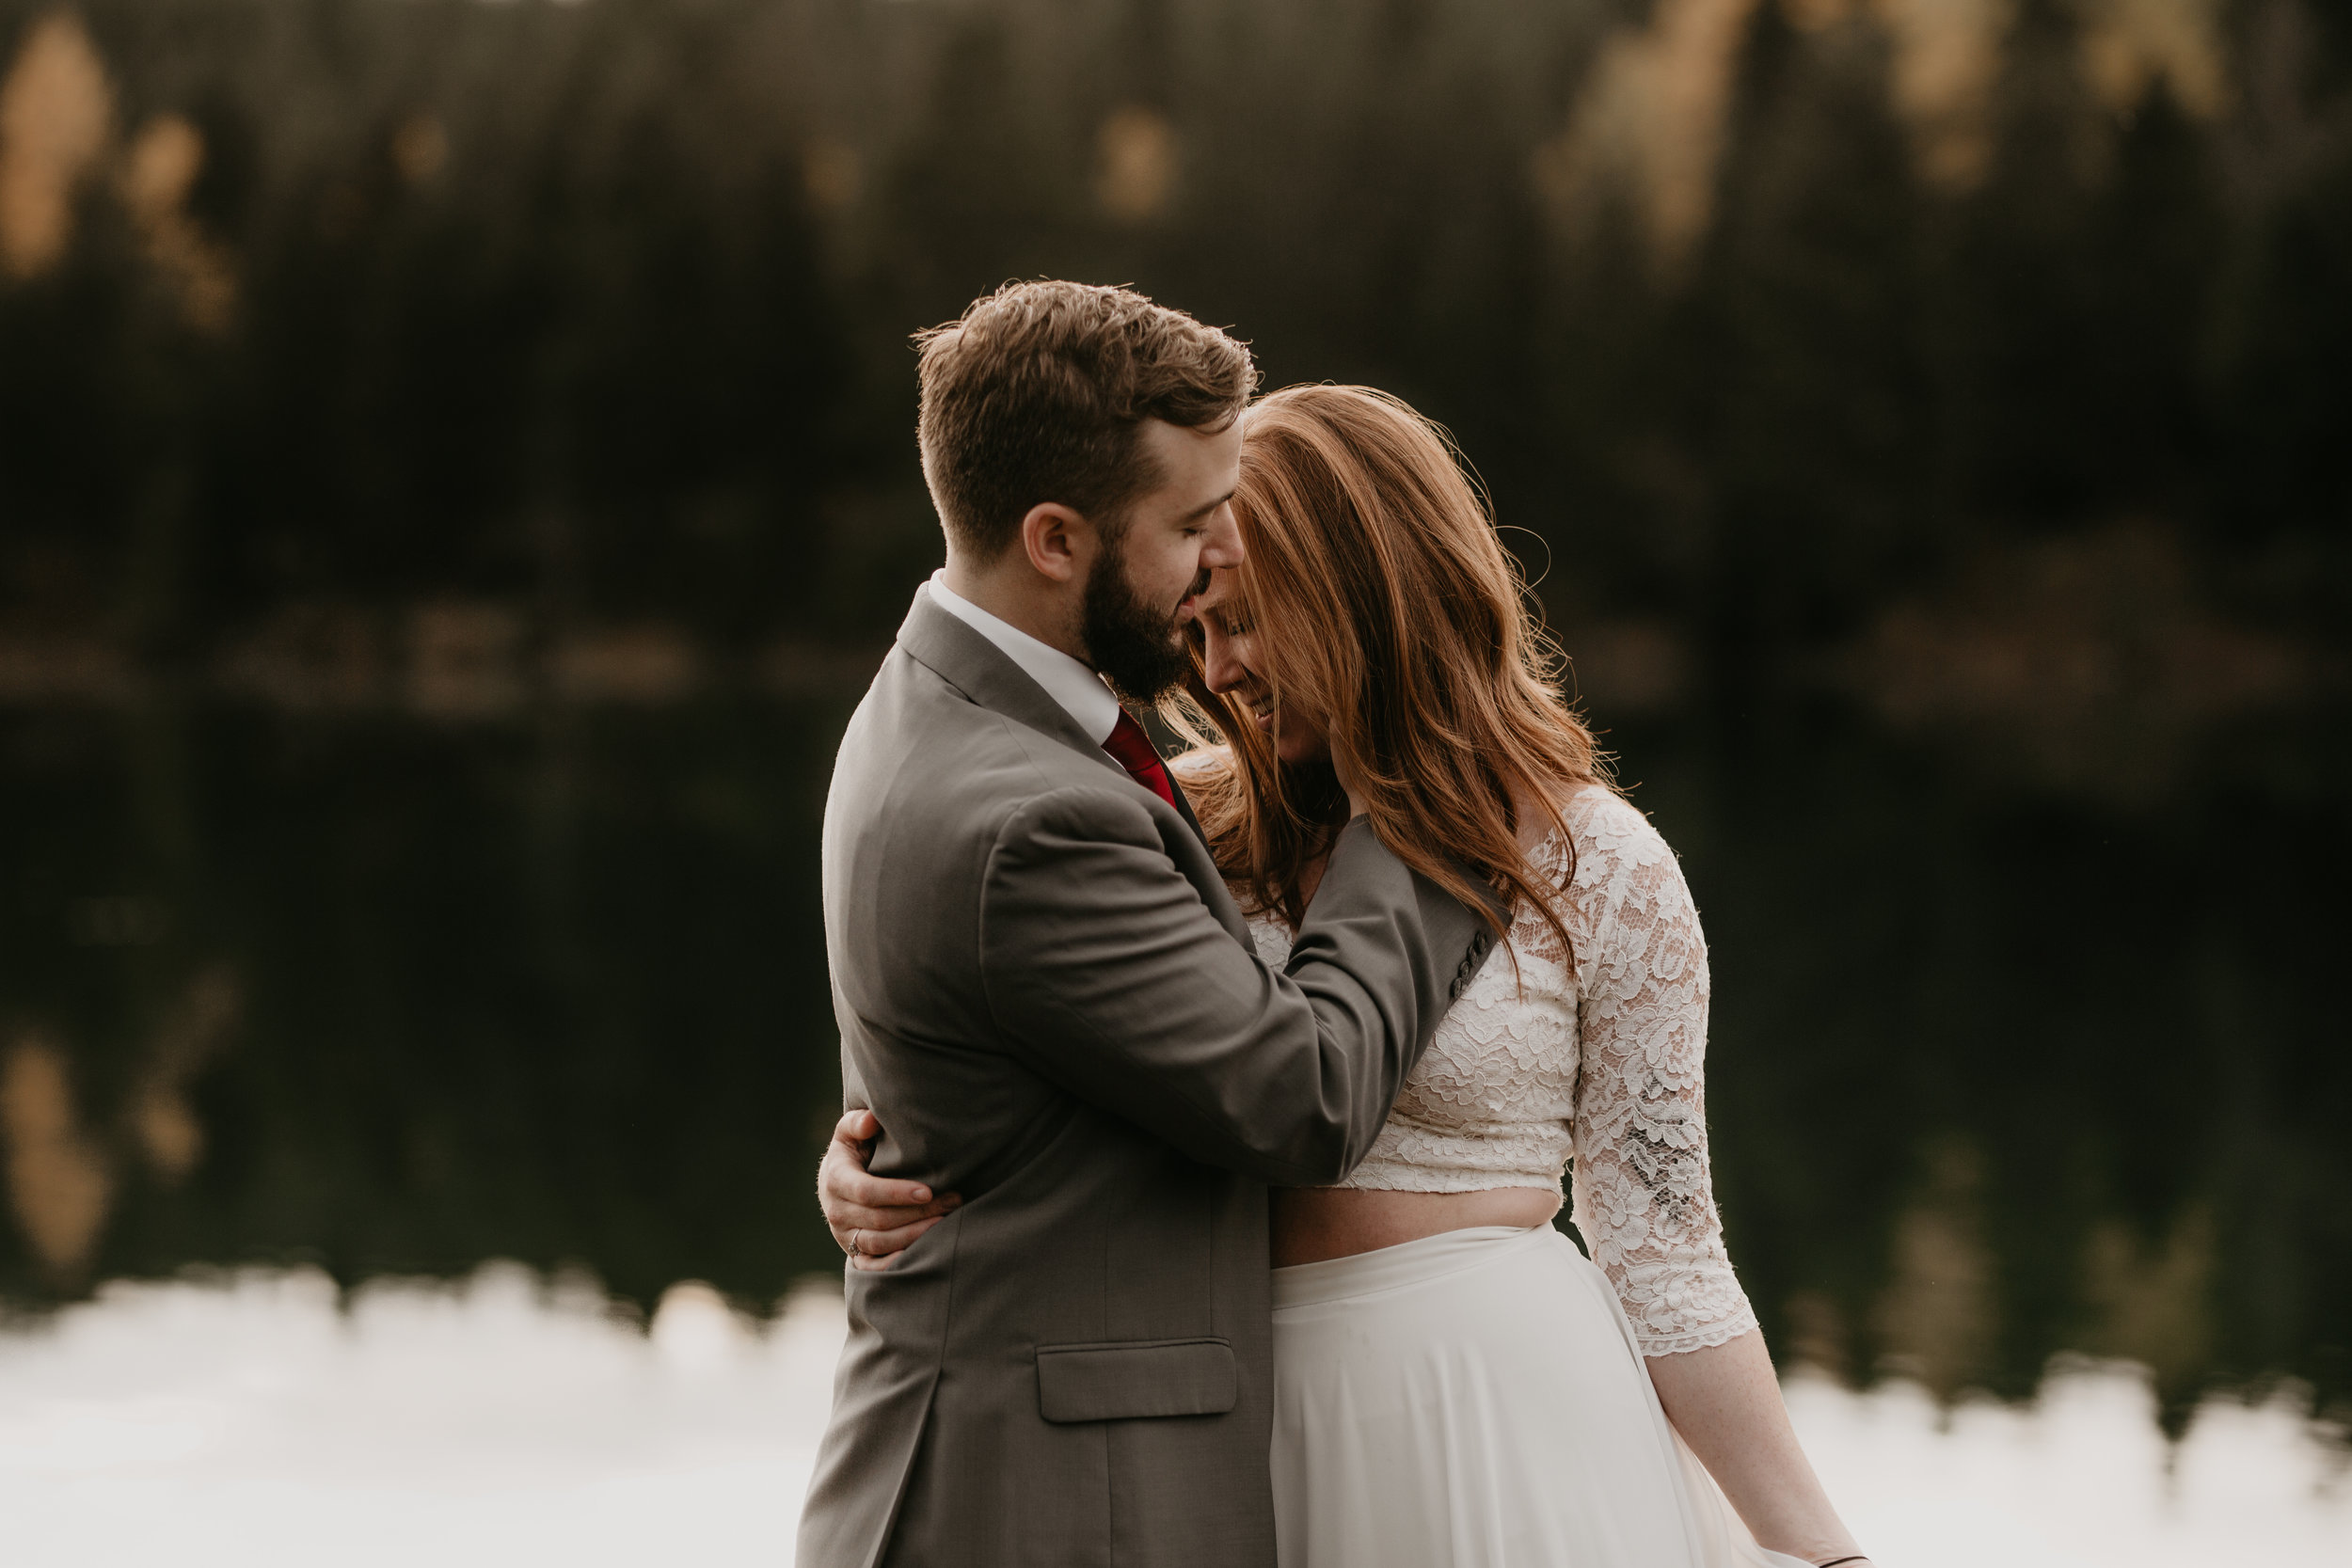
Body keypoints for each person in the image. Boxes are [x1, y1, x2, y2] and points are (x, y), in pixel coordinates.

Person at [823, 384, 1875, 1567]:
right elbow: (1040, 1042)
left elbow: (1665, 1245)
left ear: (1365, 598)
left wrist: (1821, 1546)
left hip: (1501, 1425)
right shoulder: (1179, 831)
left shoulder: (1603, 865)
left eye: (1249, 621)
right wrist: (871, 1152)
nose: (1219, 671)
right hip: (1225, 1433)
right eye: (1200, 628)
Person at [796, 287, 1496, 1568]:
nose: (1214, 562)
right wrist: (1422, 778)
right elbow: (1306, 1091)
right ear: (1056, 538)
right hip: (1048, 1507)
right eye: (1188, 525)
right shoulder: (1029, 813)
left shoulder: (938, 703)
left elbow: (1002, 1066)